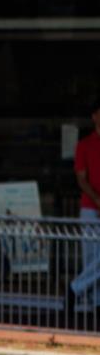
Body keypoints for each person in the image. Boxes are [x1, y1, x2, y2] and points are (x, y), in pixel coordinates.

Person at [70, 99, 100, 311]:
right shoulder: (84, 145)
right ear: (94, 116)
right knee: (91, 256)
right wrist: (97, 200)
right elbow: (81, 178)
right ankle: (93, 301)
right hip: (90, 207)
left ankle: (75, 289)